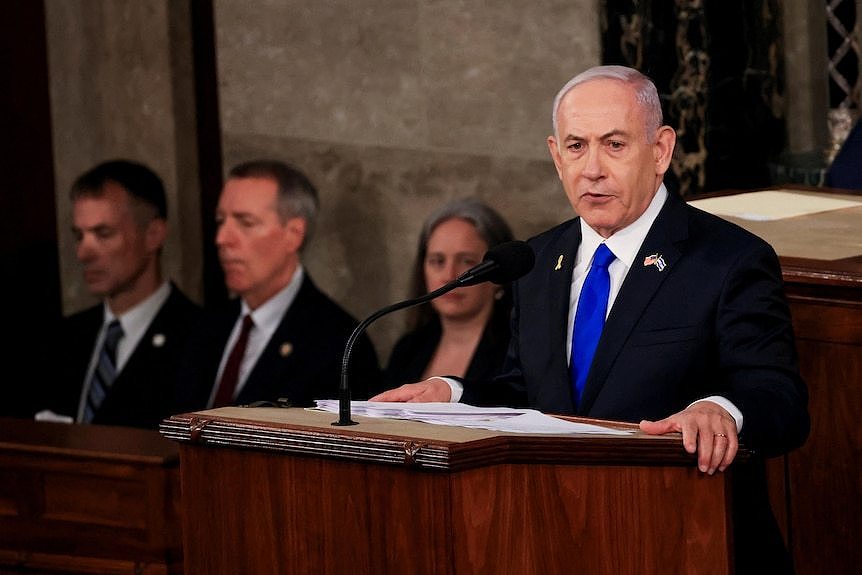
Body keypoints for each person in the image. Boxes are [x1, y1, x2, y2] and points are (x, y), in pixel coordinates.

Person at [373, 65, 809, 572]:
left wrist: (720, 411)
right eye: (577, 147)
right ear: (556, 157)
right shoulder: (536, 262)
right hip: (558, 542)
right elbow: (528, 397)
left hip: (690, 541)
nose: (593, 168)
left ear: (661, 150)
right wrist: (453, 395)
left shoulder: (729, 260)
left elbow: (781, 402)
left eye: (615, 145)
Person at [173, 159, 380, 412]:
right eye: (220, 221)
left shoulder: (339, 344)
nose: (222, 239)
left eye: (245, 223)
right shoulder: (205, 326)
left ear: (293, 234)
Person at [35, 159, 201, 429]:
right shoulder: (61, 340)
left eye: (103, 233)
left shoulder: (200, 339)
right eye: (79, 236)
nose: (83, 253)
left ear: (153, 234)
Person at [383, 198, 515, 400]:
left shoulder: (517, 351)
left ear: (498, 274)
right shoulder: (408, 350)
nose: (449, 274)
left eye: (467, 261)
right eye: (438, 261)